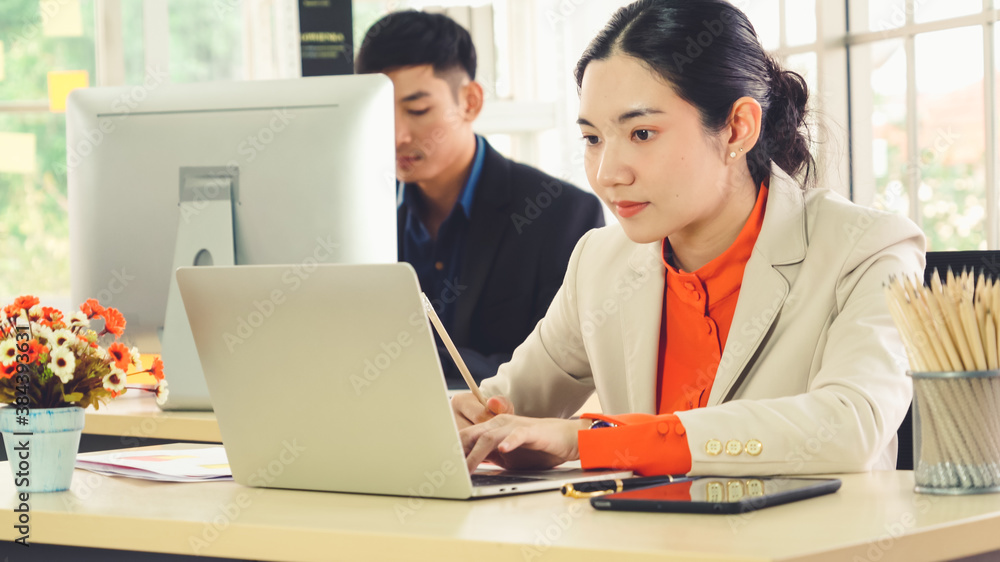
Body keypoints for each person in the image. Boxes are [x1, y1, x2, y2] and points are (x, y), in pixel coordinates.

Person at [452, 0, 926, 477]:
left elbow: (849, 427)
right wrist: (465, 423)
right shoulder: (600, 261)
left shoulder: (869, 250)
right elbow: (504, 403)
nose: (607, 173)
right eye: (593, 138)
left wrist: (599, 441)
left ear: (737, 128)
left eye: (641, 133)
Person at [355, 11, 605, 385]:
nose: (396, 136)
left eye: (417, 110)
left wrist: (407, 362)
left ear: (470, 102)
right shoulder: (359, 217)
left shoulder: (561, 215)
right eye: (378, 113)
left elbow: (562, 372)